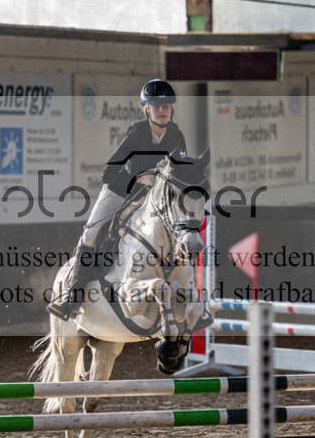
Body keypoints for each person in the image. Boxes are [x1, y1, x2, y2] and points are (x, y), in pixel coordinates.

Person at [47, 78, 210, 326]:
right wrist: (137, 178)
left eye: (166, 106)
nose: (162, 110)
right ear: (146, 110)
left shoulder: (176, 134)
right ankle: (72, 295)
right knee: (91, 232)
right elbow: (109, 172)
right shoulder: (136, 132)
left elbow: (182, 172)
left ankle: (194, 303)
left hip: (156, 198)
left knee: (182, 233)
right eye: (157, 106)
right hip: (120, 190)